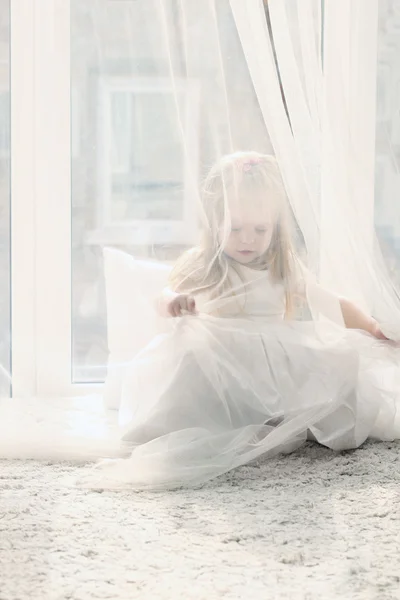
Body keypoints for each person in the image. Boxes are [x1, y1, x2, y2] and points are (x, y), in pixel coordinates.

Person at [87, 151, 400, 490]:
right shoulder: (206, 263)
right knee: (190, 363)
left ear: (275, 226)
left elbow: (329, 302)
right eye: (235, 229)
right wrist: (174, 302)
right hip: (222, 355)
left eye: (259, 229)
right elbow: (163, 295)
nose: (248, 239)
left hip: (274, 355)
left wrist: (370, 325)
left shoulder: (283, 265)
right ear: (217, 222)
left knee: (341, 358)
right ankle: (216, 424)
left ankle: (293, 425)